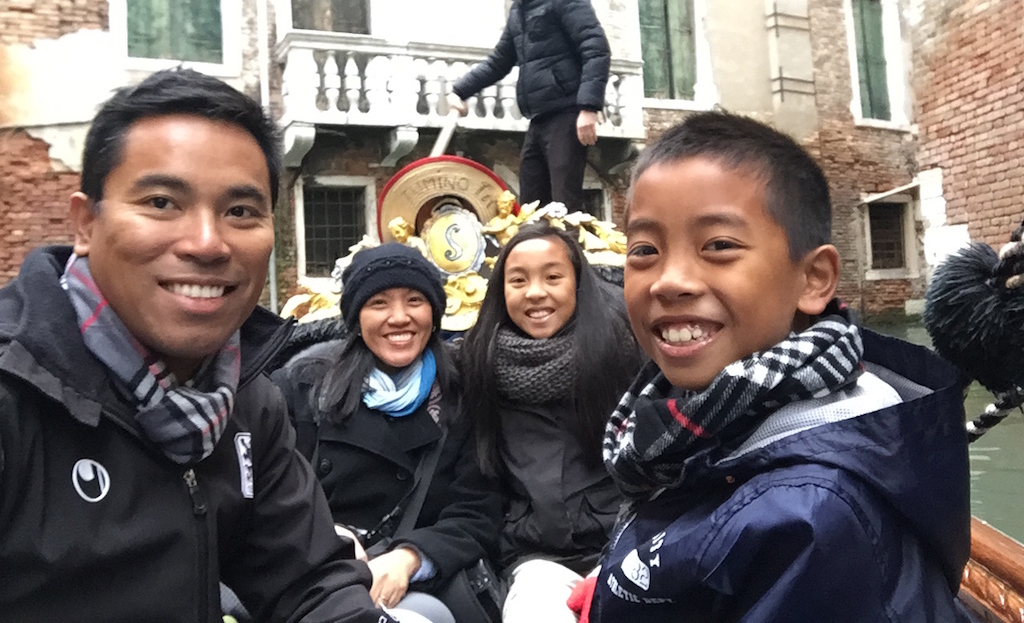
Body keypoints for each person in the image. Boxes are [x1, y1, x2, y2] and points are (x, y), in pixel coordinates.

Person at [0, 68, 398, 622]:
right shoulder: (14, 390)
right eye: (162, 202)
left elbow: (309, 583)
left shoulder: (243, 398)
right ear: (85, 224)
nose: (208, 244)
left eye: (240, 212)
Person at [574, 111, 971, 622]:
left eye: (718, 246)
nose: (668, 281)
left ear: (813, 279)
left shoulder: (813, 519)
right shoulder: (683, 428)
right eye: (644, 250)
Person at [272, 243, 503, 623]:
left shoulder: (464, 393)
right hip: (313, 573)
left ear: (434, 311)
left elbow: (477, 509)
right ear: (356, 317)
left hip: (415, 582)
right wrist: (328, 537)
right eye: (379, 303)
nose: (399, 317)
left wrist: (410, 556)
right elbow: (273, 493)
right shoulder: (303, 386)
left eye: (415, 300)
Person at [457, 221, 643, 623]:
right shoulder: (477, 363)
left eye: (553, 277)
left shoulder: (626, 352)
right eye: (518, 280)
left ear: (577, 283)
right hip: (535, 555)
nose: (536, 292)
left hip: (628, 541)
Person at [449, 0, 610, 213]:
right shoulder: (518, 12)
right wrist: (460, 90)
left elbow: (595, 47)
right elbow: (499, 61)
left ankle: (570, 255)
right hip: (538, 119)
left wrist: (589, 107)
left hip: (567, 113)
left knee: (564, 206)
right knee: (531, 207)